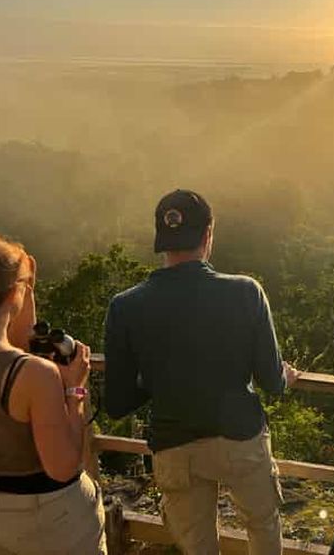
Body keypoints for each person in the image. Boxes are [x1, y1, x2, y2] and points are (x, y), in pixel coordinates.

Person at [105, 189, 300, 555]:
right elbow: (272, 382)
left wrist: (161, 372)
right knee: (262, 528)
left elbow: (117, 403)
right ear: (208, 235)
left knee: (197, 547)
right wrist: (287, 377)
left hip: (175, 447)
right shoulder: (246, 293)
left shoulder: (126, 307)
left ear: (161, 240)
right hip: (240, 440)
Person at [0, 232, 106, 555]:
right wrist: (73, 389)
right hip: (45, 518)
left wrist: (24, 286)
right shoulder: (33, 375)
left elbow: (18, 340)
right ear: (12, 296)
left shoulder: (21, 370)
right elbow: (63, 467)